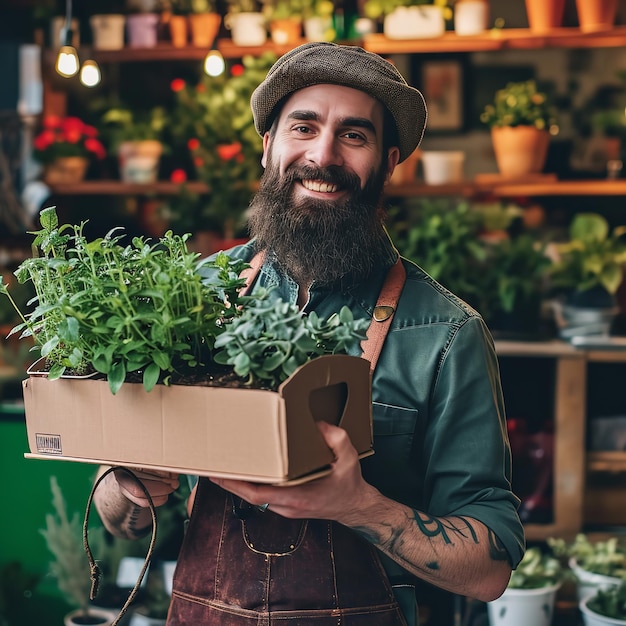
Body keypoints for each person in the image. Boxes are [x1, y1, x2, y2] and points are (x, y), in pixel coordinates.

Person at [93, 42, 525, 625]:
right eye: (304, 126)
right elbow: (117, 513)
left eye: (354, 136)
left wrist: (358, 505)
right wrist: (129, 487)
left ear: (388, 161)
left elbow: (491, 570)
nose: (323, 155)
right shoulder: (192, 300)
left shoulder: (447, 334)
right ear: (269, 146)